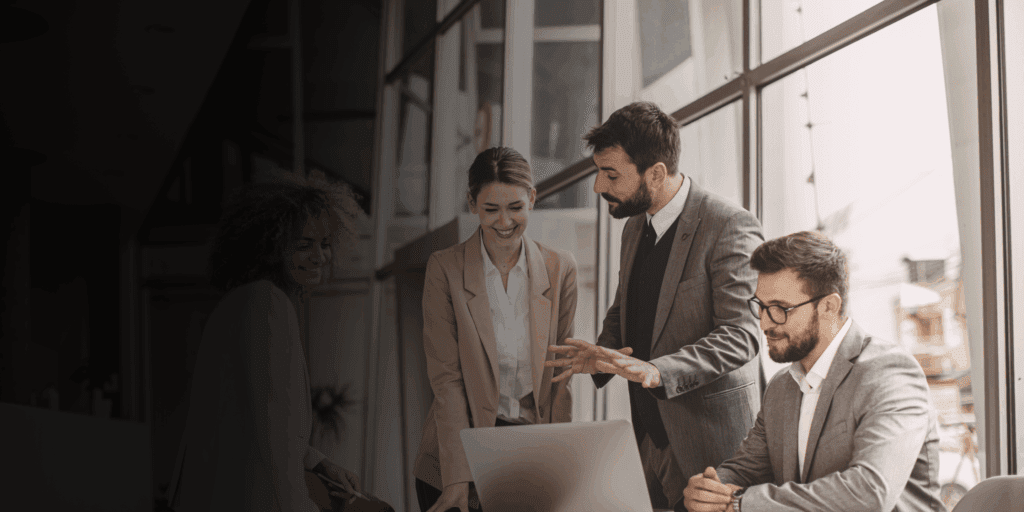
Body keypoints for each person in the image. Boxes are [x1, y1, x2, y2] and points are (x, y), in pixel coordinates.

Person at [545, 101, 764, 510]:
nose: (598, 186)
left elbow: (741, 335)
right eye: (598, 172)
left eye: (611, 175)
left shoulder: (728, 224)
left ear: (657, 174)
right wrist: (601, 353)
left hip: (712, 447)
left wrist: (658, 370)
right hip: (649, 439)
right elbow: (626, 306)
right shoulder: (634, 226)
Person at [682, 231, 945, 512]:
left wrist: (741, 502)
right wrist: (710, 489)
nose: (765, 324)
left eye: (780, 308)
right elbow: (745, 469)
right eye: (761, 306)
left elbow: (869, 492)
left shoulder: (890, 374)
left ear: (829, 306)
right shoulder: (781, 387)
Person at [170, 171, 363, 512]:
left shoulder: (238, 303)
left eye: (324, 244)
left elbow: (257, 421)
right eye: (303, 245)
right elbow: (276, 445)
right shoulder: (268, 304)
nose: (320, 257)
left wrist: (319, 463)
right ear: (268, 248)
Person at [413, 147, 580, 512]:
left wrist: (560, 466)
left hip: (527, 451)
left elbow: (561, 377)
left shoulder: (560, 268)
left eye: (515, 207)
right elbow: (447, 380)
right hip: (458, 451)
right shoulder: (445, 269)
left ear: (532, 199)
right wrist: (457, 479)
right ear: (472, 203)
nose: (504, 221)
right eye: (491, 209)